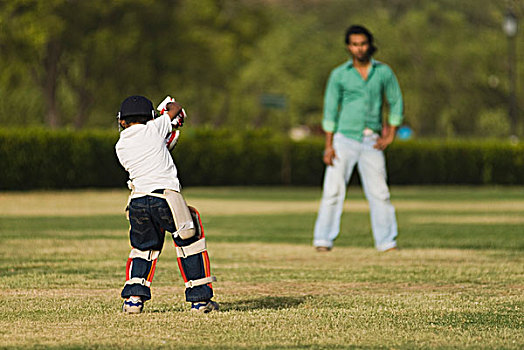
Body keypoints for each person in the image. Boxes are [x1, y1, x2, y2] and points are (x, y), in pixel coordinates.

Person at [115, 95, 219, 313]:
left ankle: (133, 300)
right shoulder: (154, 128)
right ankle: (200, 300)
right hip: (165, 197)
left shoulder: (121, 145)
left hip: (137, 201)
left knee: (143, 248)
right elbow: (176, 109)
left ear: (123, 121)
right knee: (190, 240)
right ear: (150, 116)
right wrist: (167, 111)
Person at [313, 25, 404, 252]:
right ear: (348, 46)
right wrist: (328, 145)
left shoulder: (383, 72)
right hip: (343, 139)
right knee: (332, 191)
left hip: (371, 140)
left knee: (380, 193)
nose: (359, 48)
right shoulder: (339, 75)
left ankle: (386, 241)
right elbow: (330, 110)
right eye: (354, 44)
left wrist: (390, 135)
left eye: (362, 44)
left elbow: (396, 102)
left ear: (369, 44)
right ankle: (323, 240)